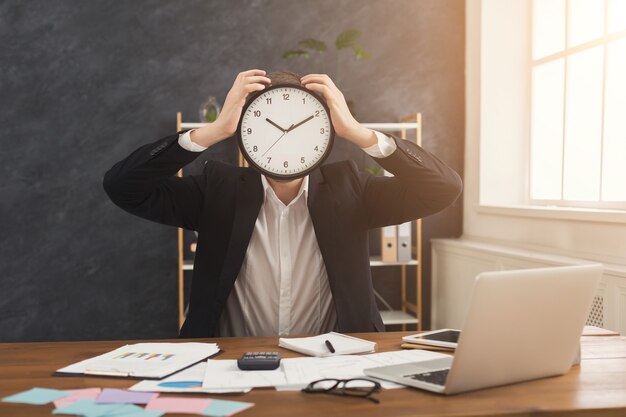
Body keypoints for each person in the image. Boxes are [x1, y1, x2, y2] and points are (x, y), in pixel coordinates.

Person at [103, 69, 462, 338]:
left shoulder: (350, 188)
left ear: (323, 129)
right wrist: (212, 131)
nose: (285, 137)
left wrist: (357, 132)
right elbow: (123, 186)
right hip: (230, 366)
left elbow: (444, 188)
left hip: (335, 363)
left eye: (302, 125)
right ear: (245, 132)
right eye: (266, 125)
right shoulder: (218, 189)